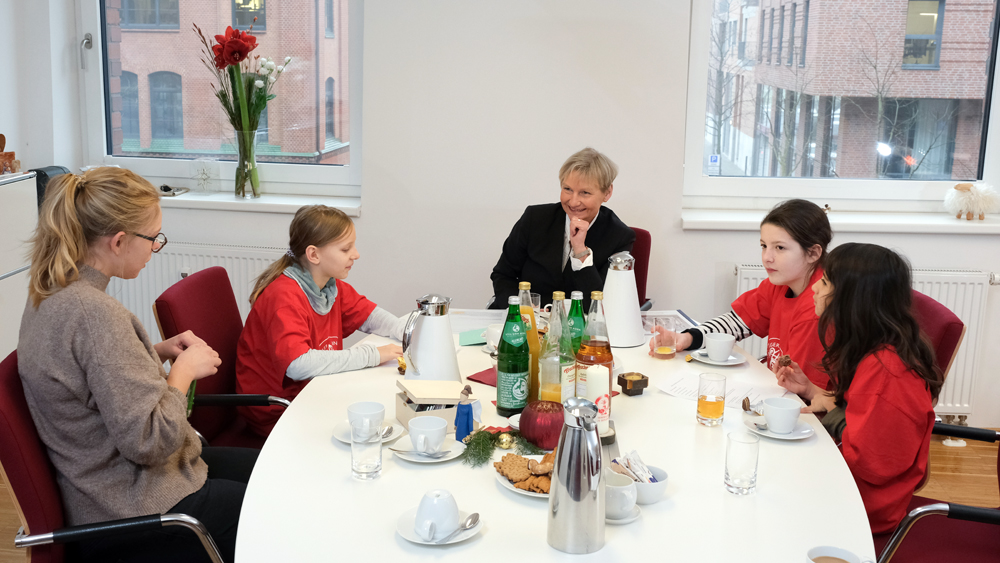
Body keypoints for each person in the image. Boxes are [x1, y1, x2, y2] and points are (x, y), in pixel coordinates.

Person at [18, 167, 256, 563]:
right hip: (135, 509)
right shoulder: (94, 314)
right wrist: (183, 372)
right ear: (119, 241)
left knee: (272, 471)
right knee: (280, 505)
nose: (156, 247)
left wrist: (153, 351)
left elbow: (92, 379)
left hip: (104, 489)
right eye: (153, 239)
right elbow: (149, 441)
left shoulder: (50, 290)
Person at [775, 243, 941, 534]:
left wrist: (835, 417)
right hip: (846, 484)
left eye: (825, 282)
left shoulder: (887, 371)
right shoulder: (872, 348)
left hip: (862, 507)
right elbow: (859, 414)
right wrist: (813, 391)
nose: (815, 289)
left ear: (852, 298)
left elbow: (871, 463)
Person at [235, 205, 405, 436]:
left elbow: (371, 316)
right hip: (277, 411)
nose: (356, 254)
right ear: (314, 254)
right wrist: (373, 355)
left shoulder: (329, 286)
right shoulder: (283, 296)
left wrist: (408, 332)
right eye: (346, 249)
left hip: (311, 392)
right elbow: (298, 364)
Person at [650, 199, 833, 390]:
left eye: (780, 248)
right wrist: (686, 338)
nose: (767, 257)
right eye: (764, 246)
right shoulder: (779, 284)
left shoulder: (816, 309)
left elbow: (801, 391)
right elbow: (736, 323)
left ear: (813, 253)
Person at [489, 147, 635, 311]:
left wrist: (580, 251)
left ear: (607, 193)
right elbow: (503, 275)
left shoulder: (619, 237)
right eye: (567, 189)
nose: (573, 202)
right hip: (526, 321)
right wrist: (519, 311)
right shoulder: (535, 218)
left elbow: (598, 304)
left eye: (585, 193)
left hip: (577, 328)